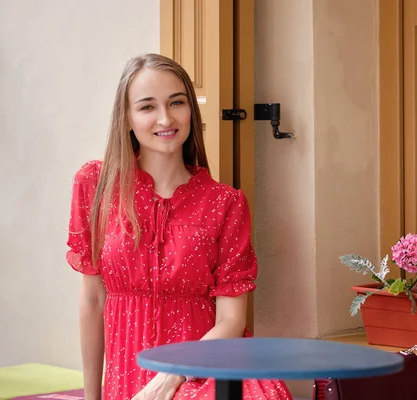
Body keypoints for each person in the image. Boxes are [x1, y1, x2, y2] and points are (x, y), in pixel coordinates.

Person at [66, 53, 293, 400]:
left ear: (191, 111)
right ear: (126, 118)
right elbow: (93, 300)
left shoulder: (225, 203)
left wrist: (172, 376)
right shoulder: (95, 185)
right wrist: (91, 396)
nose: (165, 118)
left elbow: (231, 321)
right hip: (127, 373)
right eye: (147, 107)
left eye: (176, 102)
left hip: (202, 371)